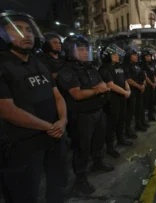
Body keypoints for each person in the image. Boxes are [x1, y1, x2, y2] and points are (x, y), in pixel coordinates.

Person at [0, 10, 68, 203]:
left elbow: (57, 95)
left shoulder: (38, 64)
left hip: (54, 137)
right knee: (23, 193)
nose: (27, 34)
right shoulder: (3, 66)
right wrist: (49, 127)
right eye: (17, 29)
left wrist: (62, 120)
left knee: (58, 184)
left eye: (29, 29)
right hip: (22, 144)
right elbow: (7, 110)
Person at [57, 35, 114, 195]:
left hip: (97, 111)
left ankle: (98, 162)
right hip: (81, 116)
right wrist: (96, 90)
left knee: (98, 141)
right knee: (82, 148)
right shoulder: (67, 71)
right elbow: (77, 94)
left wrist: (98, 89)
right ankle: (80, 179)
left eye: (85, 49)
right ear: (70, 51)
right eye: (80, 49)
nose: (84, 52)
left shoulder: (89, 68)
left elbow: (102, 84)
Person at [99, 44, 132, 159]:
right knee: (111, 123)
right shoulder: (104, 68)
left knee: (121, 119)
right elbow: (110, 85)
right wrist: (125, 92)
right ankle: (110, 146)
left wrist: (127, 90)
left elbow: (124, 79)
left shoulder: (119, 66)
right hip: (112, 100)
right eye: (114, 55)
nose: (117, 57)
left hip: (122, 97)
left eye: (117, 54)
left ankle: (121, 138)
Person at [124, 47, 149, 135]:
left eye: (136, 55)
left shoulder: (137, 64)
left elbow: (143, 75)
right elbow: (128, 79)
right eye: (134, 55)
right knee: (130, 111)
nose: (136, 56)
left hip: (140, 89)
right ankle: (128, 129)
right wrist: (139, 86)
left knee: (140, 108)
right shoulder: (127, 66)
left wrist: (144, 84)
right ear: (129, 56)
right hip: (133, 91)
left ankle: (139, 124)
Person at [142, 48, 156, 122]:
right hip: (147, 86)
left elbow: (154, 74)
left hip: (153, 85)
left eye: (149, 56)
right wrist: (152, 83)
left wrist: (155, 82)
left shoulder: (152, 64)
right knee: (145, 103)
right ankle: (143, 119)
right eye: (147, 56)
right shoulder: (143, 65)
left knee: (151, 102)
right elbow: (145, 76)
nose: (148, 57)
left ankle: (151, 116)